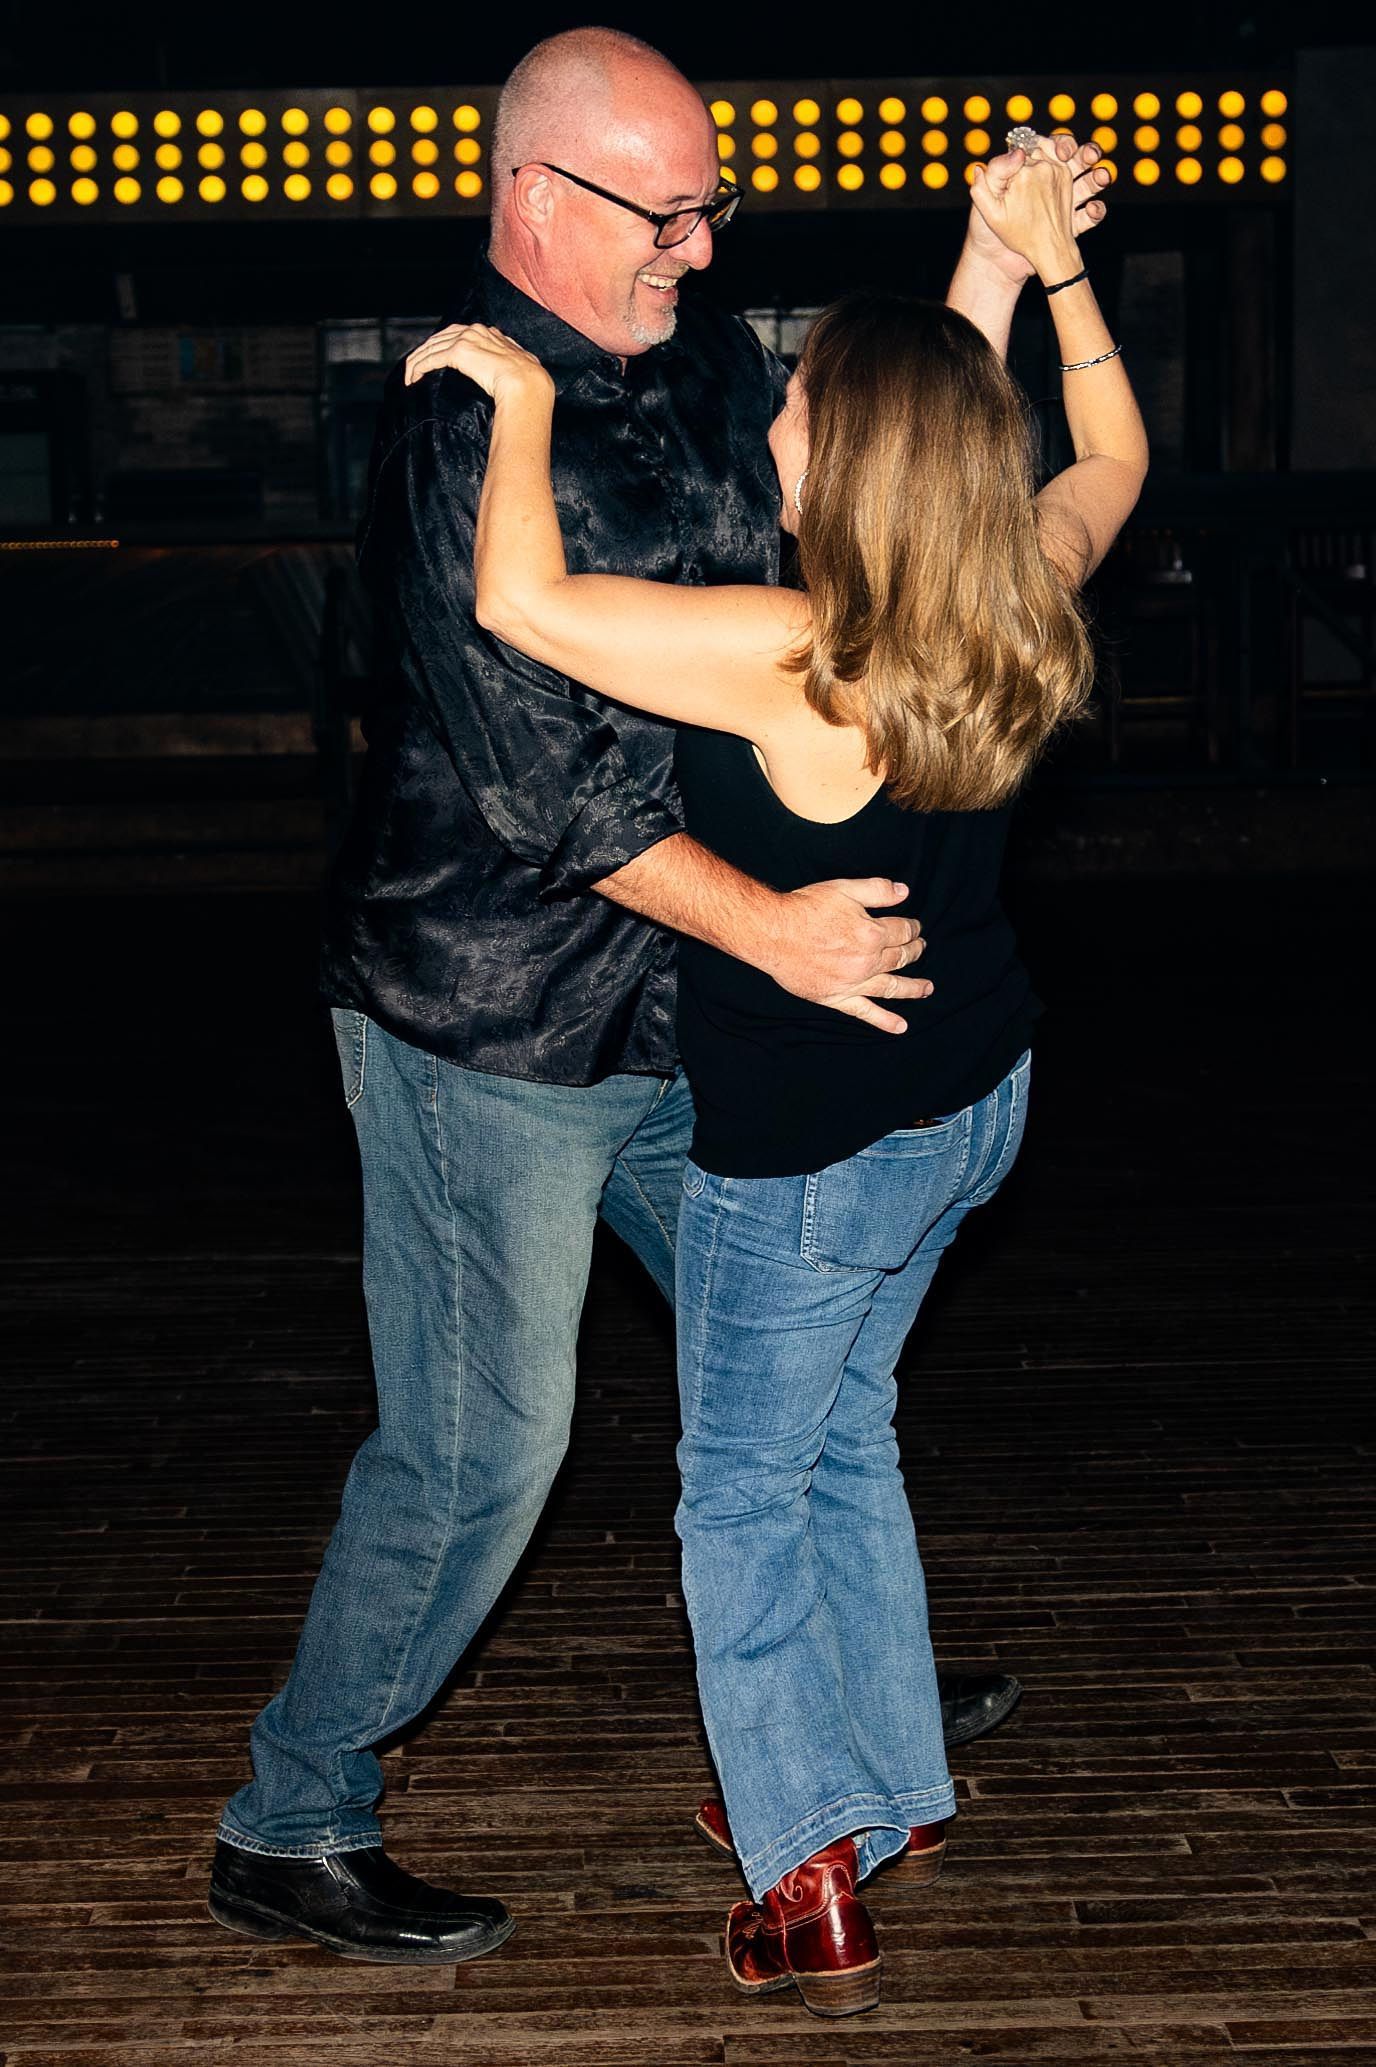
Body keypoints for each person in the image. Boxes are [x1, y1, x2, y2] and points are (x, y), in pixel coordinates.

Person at [209, 27, 1114, 1967]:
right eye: (669, 208)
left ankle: (836, 1722)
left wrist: (987, 255)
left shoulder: (699, 370)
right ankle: (294, 1813)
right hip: (498, 1027)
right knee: (486, 1446)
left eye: (711, 204)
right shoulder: (470, 424)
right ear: (540, 200)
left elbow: (899, 488)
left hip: (686, 1022)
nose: (704, 246)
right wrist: (775, 927)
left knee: (803, 1392)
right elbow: (551, 796)